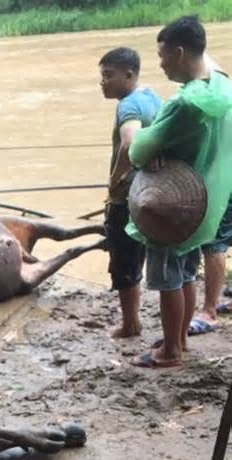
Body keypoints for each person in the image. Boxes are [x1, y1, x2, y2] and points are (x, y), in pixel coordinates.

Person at [127, 16, 232, 367]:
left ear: (181, 52)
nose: (159, 63)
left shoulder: (184, 104)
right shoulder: (221, 85)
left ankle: (171, 350)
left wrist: (147, 144)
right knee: (186, 272)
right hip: (207, 206)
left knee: (168, 278)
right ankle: (181, 338)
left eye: (163, 55)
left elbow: (138, 151)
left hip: (173, 208)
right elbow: (211, 63)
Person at [98, 47, 162, 338]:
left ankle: (130, 324)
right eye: (102, 76)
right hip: (150, 193)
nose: (103, 82)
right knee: (139, 255)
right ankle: (134, 319)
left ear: (129, 74)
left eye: (108, 76)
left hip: (127, 198)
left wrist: (116, 177)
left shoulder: (128, 106)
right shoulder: (150, 96)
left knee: (123, 259)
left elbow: (130, 141)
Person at [187, 53, 232, 333]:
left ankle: (209, 310)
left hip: (223, 180)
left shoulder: (209, 98)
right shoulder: (223, 90)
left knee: (214, 243)